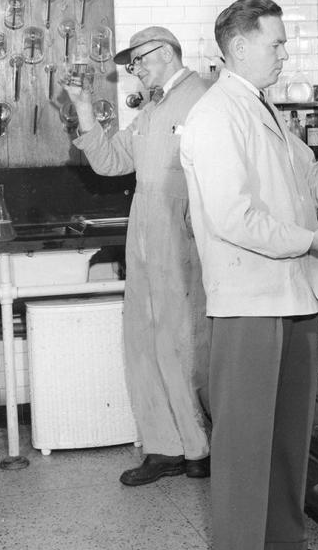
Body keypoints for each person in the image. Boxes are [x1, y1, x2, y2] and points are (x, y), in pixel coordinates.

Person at [180, 0, 318, 550]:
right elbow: (233, 218)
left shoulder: (264, 108)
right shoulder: (215, 116)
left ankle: (280, 543)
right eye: (276, 43)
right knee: (244, 437)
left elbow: (311, 185)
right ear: (239, 47)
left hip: (292, 291)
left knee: (285, 432)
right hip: (248, 300)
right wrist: (313, 241)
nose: (285, 53)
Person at [66, 26, 212, 486]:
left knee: (185, 342)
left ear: (167, 53)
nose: (136, 71)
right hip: (146, 233)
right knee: (144, 342)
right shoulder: (152, 108)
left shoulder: (207, 98)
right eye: (133, 66)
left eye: (141, 61)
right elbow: (111, 162)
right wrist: (83, 108)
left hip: (184, 234)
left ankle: (201, 448)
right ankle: (166, 447)